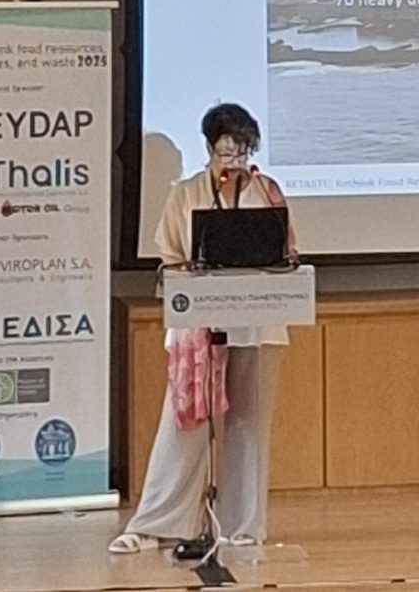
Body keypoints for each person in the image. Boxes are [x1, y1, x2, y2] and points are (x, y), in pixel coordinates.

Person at [109, 103, 297, 556]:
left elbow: (288, 254)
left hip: (257, 321)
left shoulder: (268, 192)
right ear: (210, 148)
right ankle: (156, 524)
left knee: (250, 425)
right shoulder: (186, 193)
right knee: (185, 423)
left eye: (242, 151)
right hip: (200, 323)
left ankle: (243, 527)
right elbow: (170, 258)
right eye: (226, 151)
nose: (234, 160)